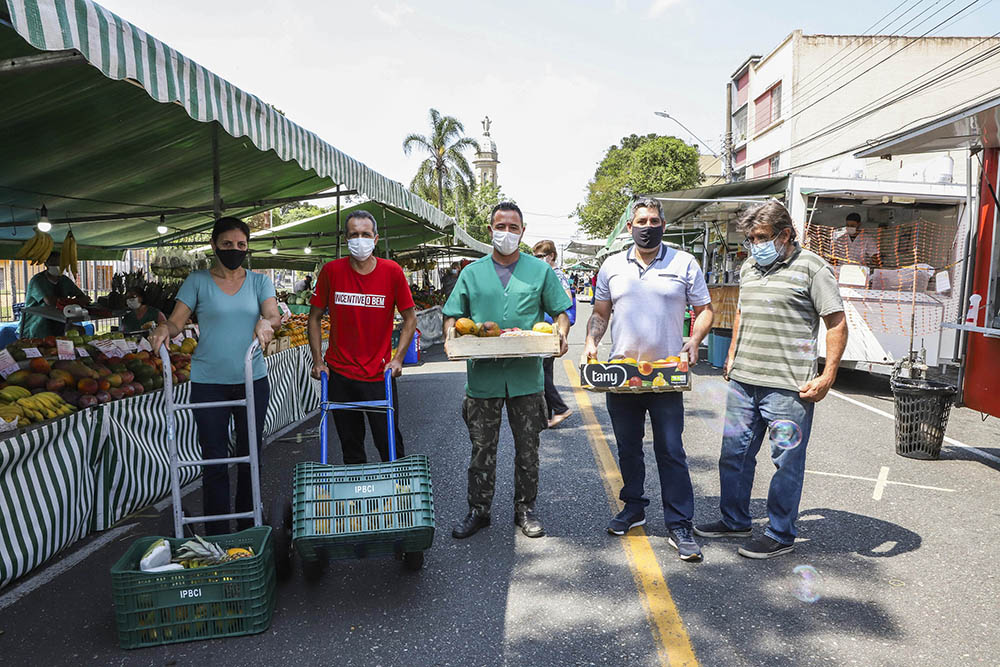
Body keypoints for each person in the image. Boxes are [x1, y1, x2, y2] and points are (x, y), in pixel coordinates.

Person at [695, 200, 847, 559]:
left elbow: (836, 323)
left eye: (761, 237)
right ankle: (734, 520)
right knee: (733, 455)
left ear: (786, 234)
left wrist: (827, 376)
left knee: (786, 461)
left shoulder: (813, 269)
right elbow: (744, 312)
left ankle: (780, 533)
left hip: (789, 387)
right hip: (744, 381)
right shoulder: (749, 267)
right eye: (750, 238)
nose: (755, 245)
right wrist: (732, 354)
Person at [584, 197, 714, 562]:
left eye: (654, 220)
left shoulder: (685, 262)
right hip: (622, 374)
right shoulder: (611, 265)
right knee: (628, 448)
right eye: (641, 220)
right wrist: (592, 342)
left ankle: (679, 523)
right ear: (629, 227)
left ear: (664, 225)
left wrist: (695, 339)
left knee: (671, 449)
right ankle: (634, 507)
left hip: (666, 376)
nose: (647, 226)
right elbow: (599, 313)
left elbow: (704, 310)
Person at [444, 202, 572, 539]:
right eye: (501, 226)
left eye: (513, 227)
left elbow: (561, 310)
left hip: (526, 378)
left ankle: (525, 509)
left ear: (523, 232)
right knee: (481, 449)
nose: (507, 233)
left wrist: (562, 335)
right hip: (483, 379)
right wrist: (448, 338)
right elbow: (453, 315)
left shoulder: (539, 271)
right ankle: (479, 510)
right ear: (490, 230)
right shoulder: (471, 273)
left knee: (528, 449)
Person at [150, 216, 280, 535]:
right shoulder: (197, 281)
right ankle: (218, 530)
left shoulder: (259, 282)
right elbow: (178, 320)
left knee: (251, 454)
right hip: (208, 381)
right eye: (227, 244)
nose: (234, 250)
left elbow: (273, 315)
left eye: (240, 245)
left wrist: (266, 324)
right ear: (214, 246)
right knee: (214, 458)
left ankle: (250, 524)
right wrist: (163, 329)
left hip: (252, 378)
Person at [308, 210, 416, 464]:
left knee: (389, 443)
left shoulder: (392, 272)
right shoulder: (331, 272)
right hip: (340, 374)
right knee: (351, 446)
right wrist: (317, 362)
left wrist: (398, 359)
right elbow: (313, 317)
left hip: (379, 374)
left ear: (375, 239)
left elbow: (410, 318)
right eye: (354, 234)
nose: (360, 240)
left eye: (365, 234)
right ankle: (359, 500)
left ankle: (398, 493)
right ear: (346, 238)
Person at [532, 239, 575, 428]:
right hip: (545, 330)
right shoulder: (548, 273)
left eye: (540, 256)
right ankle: (547, 415)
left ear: (551, 256)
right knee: (545, 370)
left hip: (551, 330)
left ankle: (560, 408)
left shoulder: (556, 275)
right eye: (535, 257)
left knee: (541, 372)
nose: (537, 260)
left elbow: (566, 300)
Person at [19, 252, 91, 339]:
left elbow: (82, 296)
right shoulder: (38, 281)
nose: (57, 266)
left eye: (60, 264)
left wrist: (78, 301)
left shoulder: (64, 280)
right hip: (36, 326)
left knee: (80, 331)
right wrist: (75, 302)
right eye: (53, 263)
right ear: (46, 264)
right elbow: (50, 301)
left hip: (59, 323)